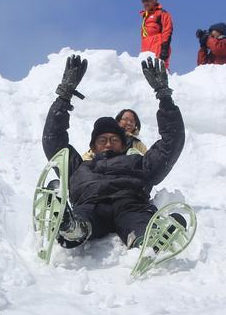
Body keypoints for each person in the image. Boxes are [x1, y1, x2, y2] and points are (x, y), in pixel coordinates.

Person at [43, 55, 185, 250]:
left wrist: (164, 95)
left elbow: (171, 143)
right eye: (102, 140)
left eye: (114, 139)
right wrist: (64, 95)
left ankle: (148, 239)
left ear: (124, 145)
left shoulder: (138, 163)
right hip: (90, 204)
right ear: (93, 147)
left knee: (138, 219)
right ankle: (72, 228)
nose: (108, 143)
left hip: (130, 203)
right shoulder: (79, 167)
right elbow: (53, 139)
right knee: (83, 216)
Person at [81, 108, 148, 160]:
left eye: (132, 121)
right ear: (118, 121)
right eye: (125, 119)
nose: (129, 123)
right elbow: (89, 157)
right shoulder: (102, 134)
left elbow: (147, 161)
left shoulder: (138, 144)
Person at [140, 0, 174, 70]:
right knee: (146, 68)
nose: (145, 3)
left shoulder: (161, 14)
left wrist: (165, 47)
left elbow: (167, 30)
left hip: (157, 43)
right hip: (146, 44)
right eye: (143, 1)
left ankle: (163, 78)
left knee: (159, 65)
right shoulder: (145, 16)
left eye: (147, 1)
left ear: (154, 0)